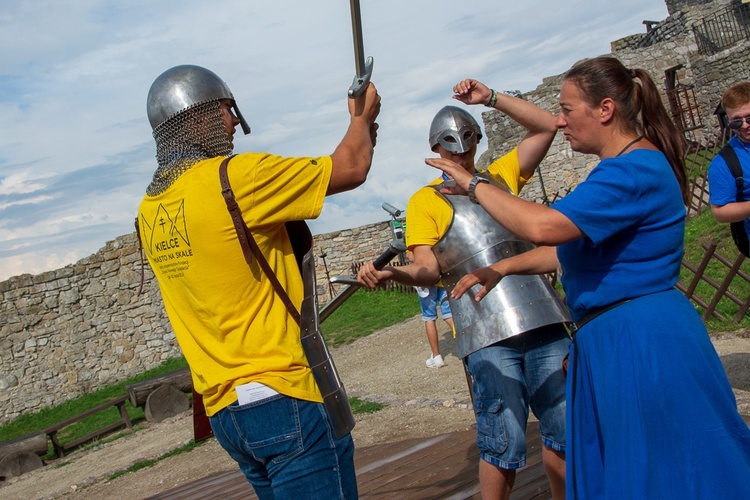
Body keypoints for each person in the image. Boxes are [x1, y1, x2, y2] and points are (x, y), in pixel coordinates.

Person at [434, 56, 750, 498]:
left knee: (675, 470)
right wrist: (503, 266)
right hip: (620, 335)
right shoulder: (623, 167)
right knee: (638, 470)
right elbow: (567, 249)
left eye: (567, 109)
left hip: (641, 340)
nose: (560, 122)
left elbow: (544, 227)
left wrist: (472, 185)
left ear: (605, 110)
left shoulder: (631, 170)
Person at [137, 64, 380, 498]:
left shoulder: (149, 211)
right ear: (199, 117)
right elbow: (351, 167)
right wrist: (361, 118)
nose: (234, 121)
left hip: (225, 412)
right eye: (227, 110)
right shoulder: (238, 178)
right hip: (282, 393)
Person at [358, 91, 570, 499]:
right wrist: (390, 273)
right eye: (451, 145)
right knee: (501, 443)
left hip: (541, 316)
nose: (461, 152)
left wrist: (490, 96)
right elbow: (428, 269)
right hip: (484, 329)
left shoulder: (499, 179)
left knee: (565, 433)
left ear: (478, 139)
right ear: (435, 148)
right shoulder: (425, 201)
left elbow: (547, 125)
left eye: (470, 139)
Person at [708, 81, 750, 251]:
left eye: (749, 118)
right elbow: (720, 211)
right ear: (727, 120)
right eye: (736, 122)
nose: (745, 126)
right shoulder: (724, 163)